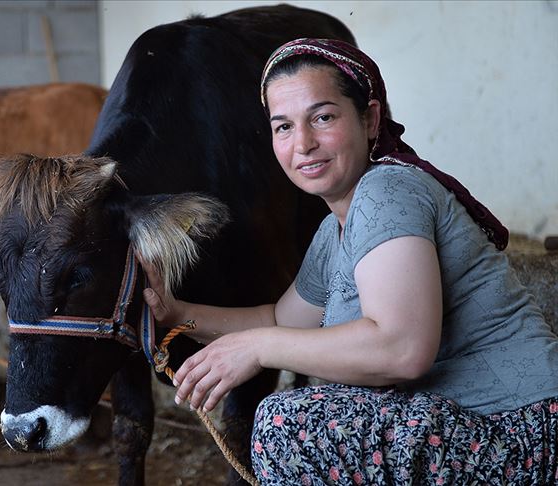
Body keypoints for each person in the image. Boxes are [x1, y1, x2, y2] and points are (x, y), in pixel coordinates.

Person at [139, 38, 558, 484]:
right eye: (283, 127)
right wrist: (177, 313)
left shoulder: (388, 192)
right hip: (459, 430)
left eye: (323, 117)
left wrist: (258, 349)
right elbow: (280, 319)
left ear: (370, 118)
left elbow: (403, 349)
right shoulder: (334, 229)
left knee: (292, 423)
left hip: (519, 431)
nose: (303, 143)